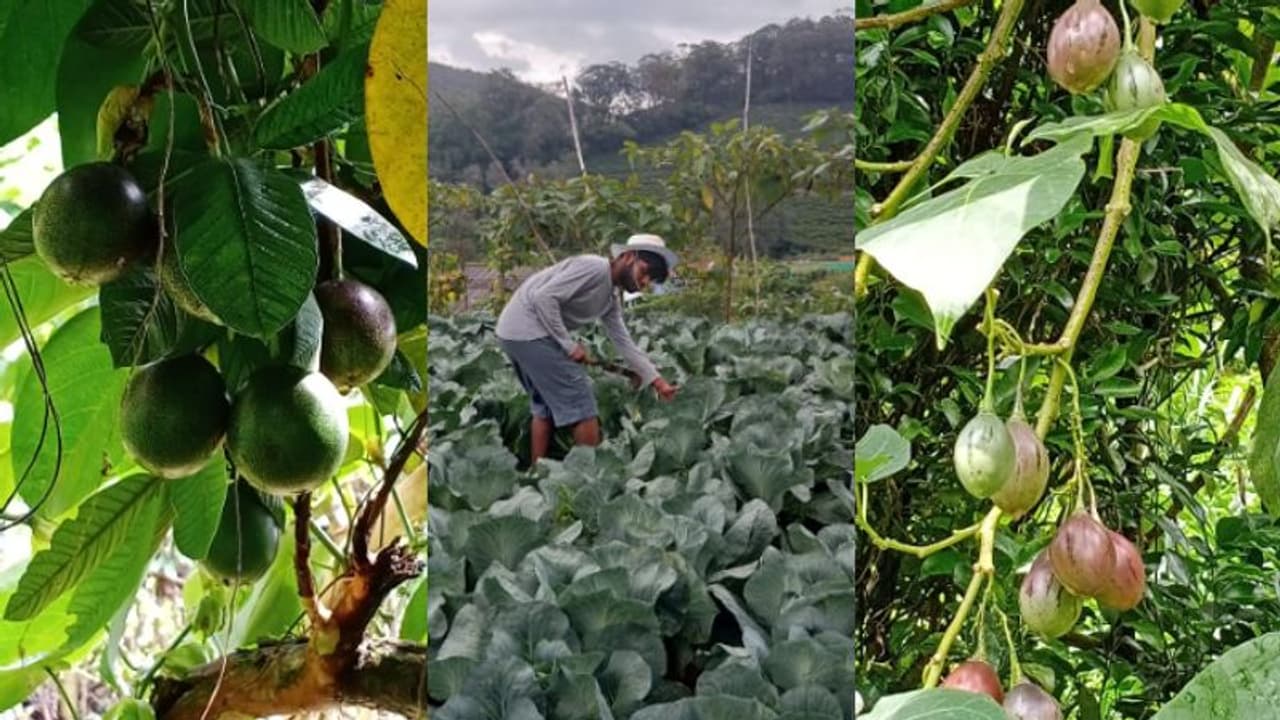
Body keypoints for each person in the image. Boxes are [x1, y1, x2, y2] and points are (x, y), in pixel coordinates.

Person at [495, 234, 681, 464]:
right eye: (644, 272)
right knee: (582, 402)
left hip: (514, 332)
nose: (644, 282)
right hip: (527, 330)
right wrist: (568, 344)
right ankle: (593, 475)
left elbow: (624, 342)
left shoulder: (611, 298)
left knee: (544, 406)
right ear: (628, 256)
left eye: (650, 280)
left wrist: (657, 381)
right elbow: (544, 298)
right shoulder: (594, 268)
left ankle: (537, 471)